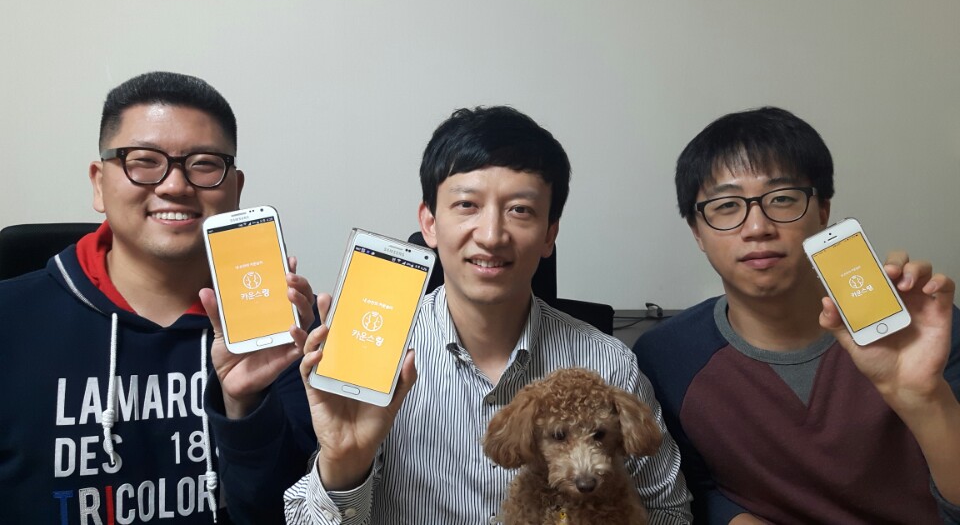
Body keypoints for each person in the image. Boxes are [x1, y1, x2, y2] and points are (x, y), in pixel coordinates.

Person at [277, 106, 693, 523]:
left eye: (520, 209)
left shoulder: (610, 365)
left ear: (550, 233)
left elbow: (669, 512)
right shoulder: (375, 353)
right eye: (467, 204)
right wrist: (344, 463)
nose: (492, 236)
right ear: (429, 222)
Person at [0, 71, 314, 524]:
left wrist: (246, 408)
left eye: (204, 164)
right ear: (98, 183)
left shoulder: (283, 329)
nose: (175, 186)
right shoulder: (10, 321)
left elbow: (285, 512)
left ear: (235, 189)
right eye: (144, 161)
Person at [632, 106, 960, 523]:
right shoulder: (666, 357)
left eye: (783, 199)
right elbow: (692, 488)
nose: (757, 227)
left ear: (822, 211)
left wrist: (925, 398)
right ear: (697, 231)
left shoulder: (922, 333)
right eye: (727, 205)